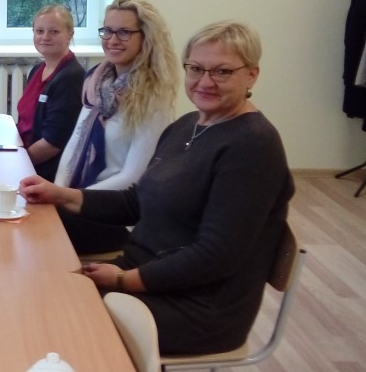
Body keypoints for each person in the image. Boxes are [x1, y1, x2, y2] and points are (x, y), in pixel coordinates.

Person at [20, 21, 294, 355]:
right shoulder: (187, 126)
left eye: (222, 72)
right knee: (36, 293)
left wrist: (123, 280)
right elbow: (136, 202)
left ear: (252, 75)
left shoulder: (253, 146)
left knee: (50, 318)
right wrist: (61, 194)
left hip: (198, 308)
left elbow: (215, 256)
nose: (205, 81)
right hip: (145, 274)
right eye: (196, 69)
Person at [53, 0, 179, 253]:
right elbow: (74, 143)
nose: (112, 40)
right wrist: (57, 192)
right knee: (29, 214)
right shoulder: (97, 83)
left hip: (117, 216)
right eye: (108, 31)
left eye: (124, 32)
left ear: (146, 37)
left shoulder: (153, 98)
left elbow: (132, 178)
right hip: (81, 198)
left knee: (37, 231)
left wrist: (69, 200)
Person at [16, 4, 86, 180]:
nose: (45, 37)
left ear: (70, 34)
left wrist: (16, 164)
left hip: (45, 172)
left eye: (54, 32)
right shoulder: (38, 70)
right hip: (25, 155)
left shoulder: (71, 77)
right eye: (39, 31)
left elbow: (53, 143)